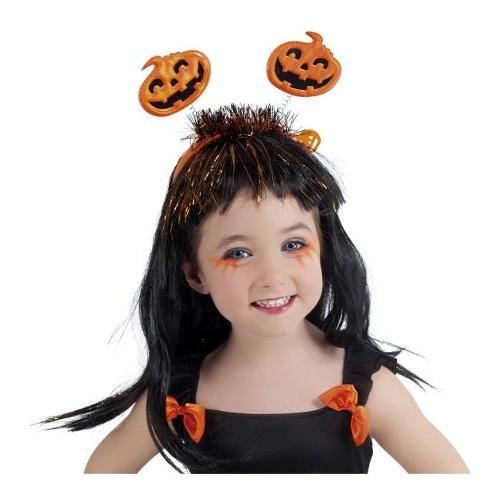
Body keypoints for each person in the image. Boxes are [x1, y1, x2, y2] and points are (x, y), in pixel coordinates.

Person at [33, 102, 469, 473]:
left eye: (293, 245)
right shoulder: (180, 390)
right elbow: (102, 475)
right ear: (195, 274)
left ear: (324, 249)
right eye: (238, 253)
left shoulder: (365, 384)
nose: (273, 277)